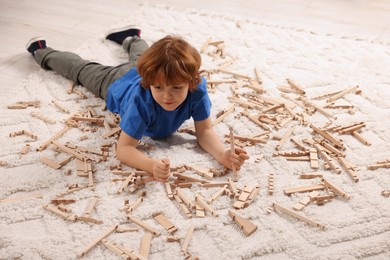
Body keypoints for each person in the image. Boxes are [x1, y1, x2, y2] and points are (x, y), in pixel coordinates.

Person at [26, 25, 249, 182]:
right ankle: (42, 52)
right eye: (158, 88)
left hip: (144, 71)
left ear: (191, 82)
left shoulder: (197, 90)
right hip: (115, 82)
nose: (166, 97)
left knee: (141, 58)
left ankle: (131, 37)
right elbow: (124, 149)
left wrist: (222, 155)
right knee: (81, 70)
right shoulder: (140, 103)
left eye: (176, 88)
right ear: (149, 82)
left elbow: (205, 131)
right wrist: (151, 165)